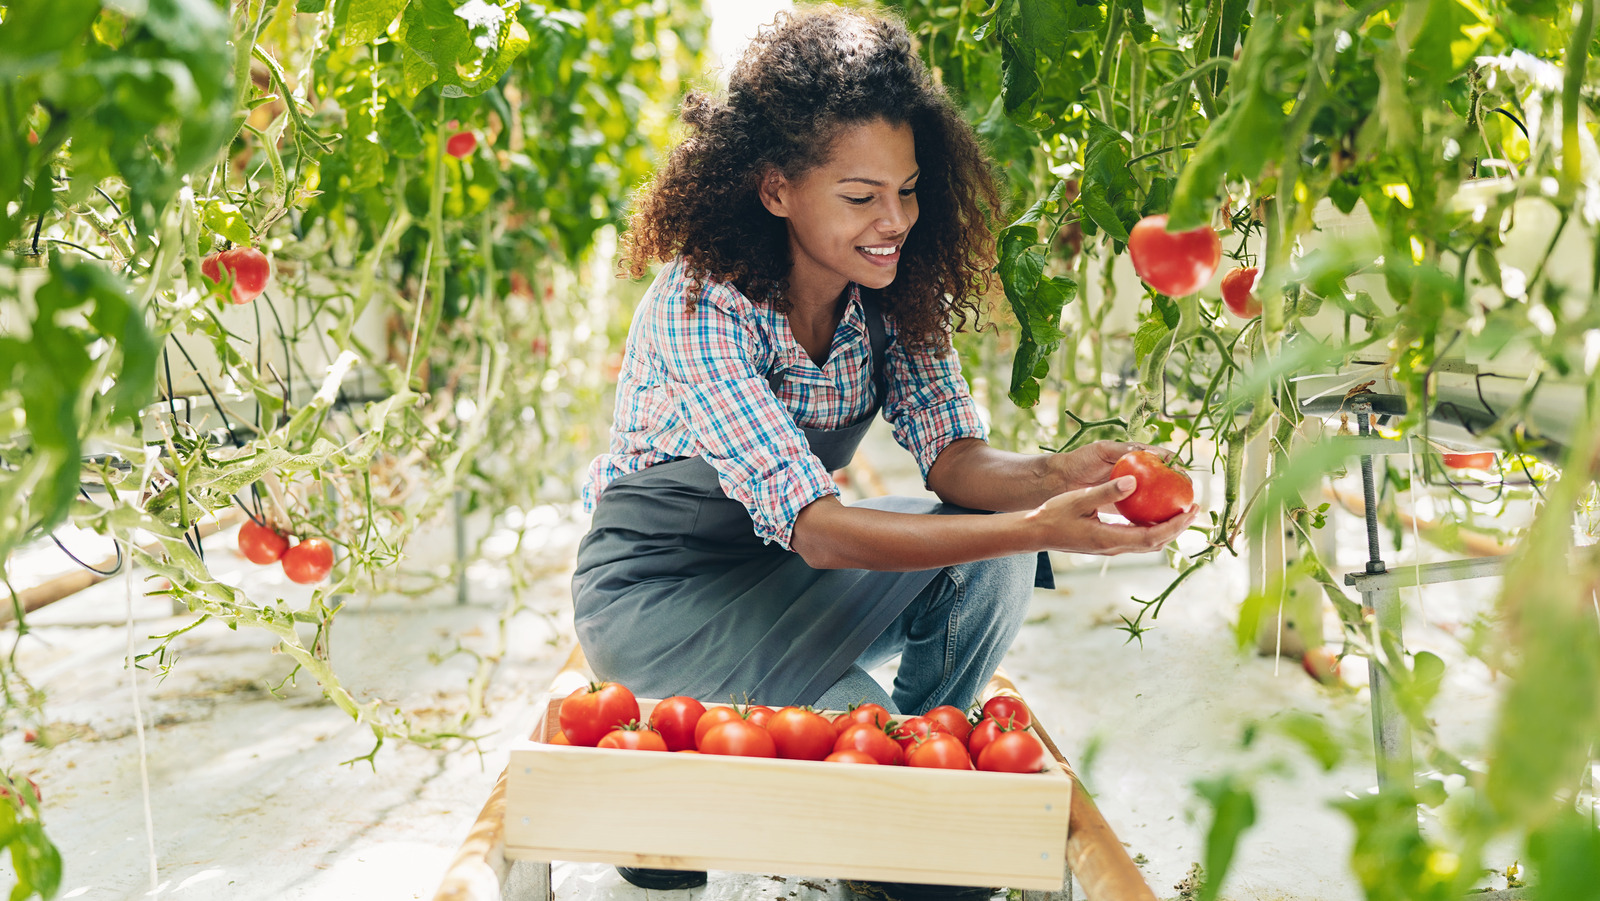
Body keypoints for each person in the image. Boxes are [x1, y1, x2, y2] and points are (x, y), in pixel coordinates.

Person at [570, 7, 1197, 897]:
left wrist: (1060, 475)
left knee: (990, 565)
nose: (894, 220)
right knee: (915, 851)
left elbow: (954, 463)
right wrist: (1032, 527)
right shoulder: (701, 304)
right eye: (861, 196)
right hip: (660, 598)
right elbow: (820, 530)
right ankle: (672, 792)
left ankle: (917, 725)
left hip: (780, 576)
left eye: (907, 190)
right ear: (776, 188)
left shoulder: (888, 295)